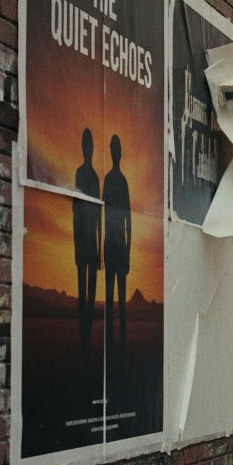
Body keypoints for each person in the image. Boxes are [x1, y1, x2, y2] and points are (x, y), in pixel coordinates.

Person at [73, 127, 101, 354]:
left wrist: (100, 249)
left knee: (91, 294)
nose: (87, 148)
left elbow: (100, 215)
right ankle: (83, 336)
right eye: (85, 144)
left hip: (92, 243)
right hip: (82, 243)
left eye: (89, 144)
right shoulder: (80, 174)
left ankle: (88, 334)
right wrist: (75, 245)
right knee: (82, 293)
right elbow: (76, 212)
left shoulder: (94, 177)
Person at [103, 134, 131, 351]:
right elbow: (105, 214)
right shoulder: (112, 180)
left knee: (119, 299)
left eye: (117, 149)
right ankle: (112, 342)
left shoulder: (121, 181)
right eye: (114, 149)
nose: (115, 153)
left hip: (119, 246)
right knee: (111, 297)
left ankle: (119, 342)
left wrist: (128, 249)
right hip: (113, 246)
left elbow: (128, 218)